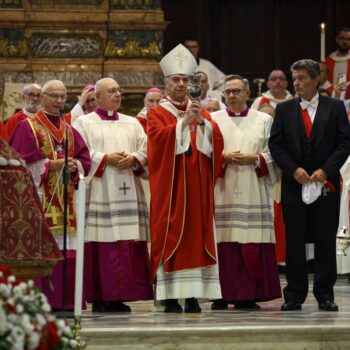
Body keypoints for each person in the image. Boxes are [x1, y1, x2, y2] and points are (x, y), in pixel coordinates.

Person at [147, 44, 224, 313]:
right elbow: (155, 143)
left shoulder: (201, 111)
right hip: (171, 186)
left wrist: (202, 123)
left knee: (197, 235)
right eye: (175, 80)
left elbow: (216, 142)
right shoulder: (156, 113)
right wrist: (181, 124)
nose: (180, 84)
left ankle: (193, 295)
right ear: (166, 83)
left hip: (197, 186)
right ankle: (169, 295)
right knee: (169, 233)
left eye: (184, 80)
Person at [269, 59, 350, 311]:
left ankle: (325, 294)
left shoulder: (335, 107)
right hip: (294, 185)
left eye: (302, 78)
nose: (297, 83)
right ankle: (294, 294)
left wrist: (326, 170)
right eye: (295, 78)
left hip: (325, 185)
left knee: (325, 239)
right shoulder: (284, 109)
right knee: (294, 240)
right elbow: (276, 145)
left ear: (316, 80)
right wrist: (293, 170)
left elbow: (344, 143)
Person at [9, 80, 92, 311]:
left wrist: (75, 165)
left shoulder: (69, 129)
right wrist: (50, 165)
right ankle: (42, 302)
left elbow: (85, 159)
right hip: (38, 201)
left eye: (62, 97)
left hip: (66, 201)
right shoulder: (28, 127)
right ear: (43, 98)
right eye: (53, 96)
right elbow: (18, 164)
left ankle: (66, 301)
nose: (58, 101)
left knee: (68, 253)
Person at [73, 77, 153, 313]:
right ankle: (100, 296)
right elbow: (80, 152)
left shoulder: (132, 123)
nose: (118, 94)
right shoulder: (82, 122)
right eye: (111, 91)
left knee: (127, 241)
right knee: (101, 244)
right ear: (97, 97)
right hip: (99, 191)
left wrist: (135, 158)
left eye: (119, 90)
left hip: (127, 187)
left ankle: (121, 296)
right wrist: (106, 158)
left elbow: (146, 148)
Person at [211, 75, 281, 310]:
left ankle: (248, 294)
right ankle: (222, 293)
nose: (232, 96)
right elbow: (204, 154)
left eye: (236, 91)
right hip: (223, 188)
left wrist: (257, 158)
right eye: (228, 92)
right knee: (224, 240)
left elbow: (275, 152)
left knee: (250, 241)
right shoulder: (212, 120)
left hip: (254, 186)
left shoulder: (263, 120)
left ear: (247, 93)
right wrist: (222, 158)